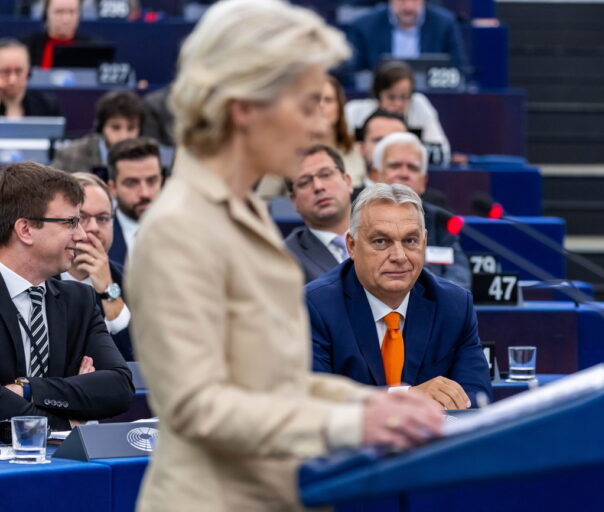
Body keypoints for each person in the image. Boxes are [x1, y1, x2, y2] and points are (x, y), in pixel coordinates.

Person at [125, 1, 443, 510]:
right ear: (244, 106)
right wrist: (353, 422)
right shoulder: (180, 228)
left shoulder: (242, 211)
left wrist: (377, 403)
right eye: (304, 104)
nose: (317, 126)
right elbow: (196, 407)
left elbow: (276, 385)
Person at [307, 183, 490, 409]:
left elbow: (476, 397)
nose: (399, 256)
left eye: (410, 241)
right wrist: (408, 396)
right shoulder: (315, 306)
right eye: (381, 241)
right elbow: (313, 402)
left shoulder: (454, 305)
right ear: (352, 246)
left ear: (424, 243)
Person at [0, 161, 134, 429]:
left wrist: (27, 389)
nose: (82, 234)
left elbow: (119, 386)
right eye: (71, 222)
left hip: (60, 467)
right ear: (25, 230)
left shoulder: (80, 301)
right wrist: (68, 418)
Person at [370, 131, 471, 289]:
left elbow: (459, 276)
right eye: (395, 166)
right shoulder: (356, 217)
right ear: (375, 175)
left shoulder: (439, 220)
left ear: (423, 181)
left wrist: (435, 299)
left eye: (412, 168)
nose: (404, 174)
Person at [62, 172, 134, 361]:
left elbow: (136, 361)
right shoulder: (35, 279)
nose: (93, 227)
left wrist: (109, 292)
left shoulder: (135, 282)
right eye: (81, 217)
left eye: (102, 218)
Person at [346, 60, 451, 164]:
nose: (398, 104)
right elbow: (343, 153)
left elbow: (442, 152)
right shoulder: (355, 112)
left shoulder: (419, 105)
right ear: (378, 95)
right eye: (391, 97)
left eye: (404, 97)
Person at [285, 145, 354, 283]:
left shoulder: (384, 235)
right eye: (304, 182)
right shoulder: (287, 257)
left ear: (348, 182)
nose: (318, 187)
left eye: (326, 174)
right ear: (293, 201)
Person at [346, 0, 469, 73]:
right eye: (402, 0)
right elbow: (352, 73)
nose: (408, 7)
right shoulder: (365, 25)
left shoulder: (444, 24)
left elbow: (460, 70)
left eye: (414, 0)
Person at [51, 90, 143, 174]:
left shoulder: (149, 158)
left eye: (131, 128)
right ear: (101, 127)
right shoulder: (70, 155)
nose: (124, 136)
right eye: (116, 128)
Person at [105, 137, 163, 268]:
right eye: (132, 183)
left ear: (162, 181)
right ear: (112, 188)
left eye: (152, 181)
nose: (145, 193)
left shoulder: (184, 232)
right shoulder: (99, 237)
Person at [315, 75, 366, 187]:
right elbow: (268, 197)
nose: (321, 105)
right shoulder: (287, 153)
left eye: (328, 100)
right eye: (315, 99)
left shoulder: (357, 151)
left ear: (339, 107)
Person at [22, 0, 96, 69]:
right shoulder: (26, 48)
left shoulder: (93, 48)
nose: (66, 19)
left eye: (72, 12)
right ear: (46, 14)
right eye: (59, 12)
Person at [0, 39, 61, 117]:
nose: (13, 80)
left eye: (19, 71)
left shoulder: (47, 106)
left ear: (28, 72)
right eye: (5, 72)